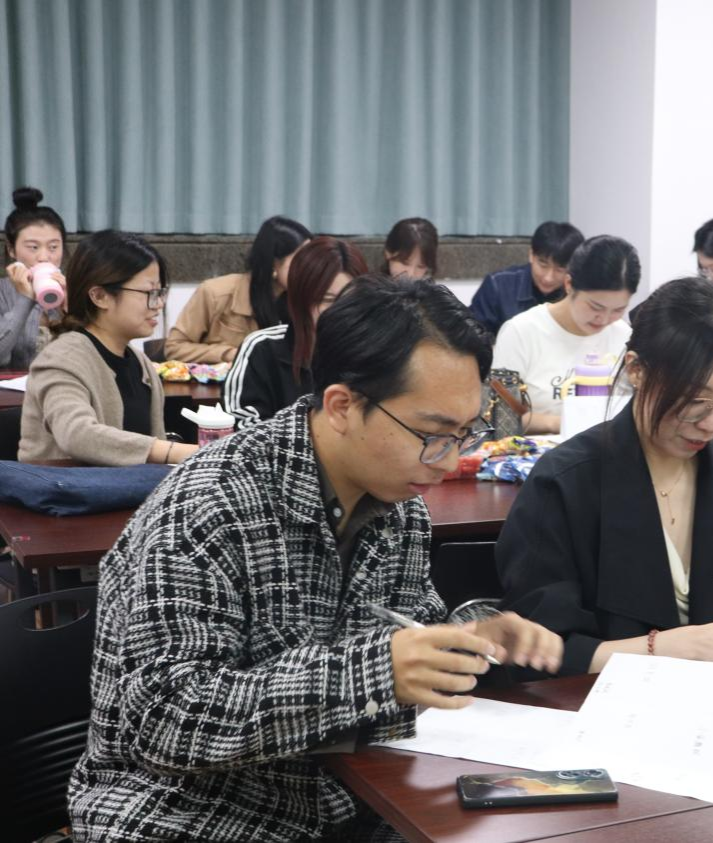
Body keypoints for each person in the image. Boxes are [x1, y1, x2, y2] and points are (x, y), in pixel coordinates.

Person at [68, 276, 563, 841]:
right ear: (342, 406)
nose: (449, 462)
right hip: (182, 811)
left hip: (337, 795)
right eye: (432, 433)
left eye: (464, 434)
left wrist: (470, 636)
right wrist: (374, 673)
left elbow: (407, 631)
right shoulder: (210, 504)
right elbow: (166, 722)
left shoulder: (399, 504)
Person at [497, 277, 713, 676]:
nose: (712, 423)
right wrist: (673, 647)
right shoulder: (563, 483)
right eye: (693, 400)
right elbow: (539, 653)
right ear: (636, 370)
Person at [19, 230, 198, 465]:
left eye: (160, 292)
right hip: (66, 487)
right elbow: (77, 435)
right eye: (149, 293)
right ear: (100, 296)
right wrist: (176, 452)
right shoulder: (61, 358)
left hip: (128, 487)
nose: (159, 304)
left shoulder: (141, 363)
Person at [492, 235, 637, 434]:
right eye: (595, 307)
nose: (604, 319)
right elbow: (501, 418)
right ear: (569, 284)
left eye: (618, 310)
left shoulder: (625, 337)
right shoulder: (520, 332)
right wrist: (563, 424)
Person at [224, 236, 367, 427]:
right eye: (327, 299)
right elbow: (241, 427)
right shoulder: (262, 349)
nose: (341, 310)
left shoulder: (373, 352)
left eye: (350, 300)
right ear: (301, 299)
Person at [165, 215, 311, 363]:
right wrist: (230, 354)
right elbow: (174, 348)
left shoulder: (307, 300)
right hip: (222, 377)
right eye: (300, 261)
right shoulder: (215, 293)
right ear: (273, 263)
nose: (308, 269)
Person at [469, 221, 583, 336]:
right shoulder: (497, 285)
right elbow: (473, 337)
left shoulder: (579, 293)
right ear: (531, 255)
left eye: (559, 270)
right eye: (543, 265)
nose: (548, 278)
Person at [2, 186, 66, 369]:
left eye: (53, 247)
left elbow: (95, 355)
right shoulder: (1, 292)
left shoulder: (79, 289)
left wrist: (69, 308)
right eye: (33, 247)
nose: (44, 257)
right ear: (11, 250)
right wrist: (25, 299)